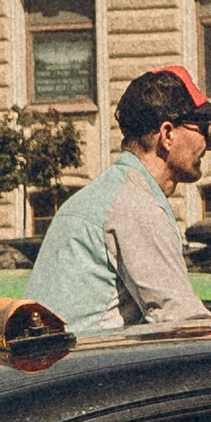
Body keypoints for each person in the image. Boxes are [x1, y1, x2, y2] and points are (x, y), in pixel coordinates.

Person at [26, 66, 211, 335]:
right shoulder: (136, 205)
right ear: (167, 134)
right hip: (86, 370)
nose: (207, 142)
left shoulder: (101, 196)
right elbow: (184, 323)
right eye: (202, 127)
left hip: (59, 370)